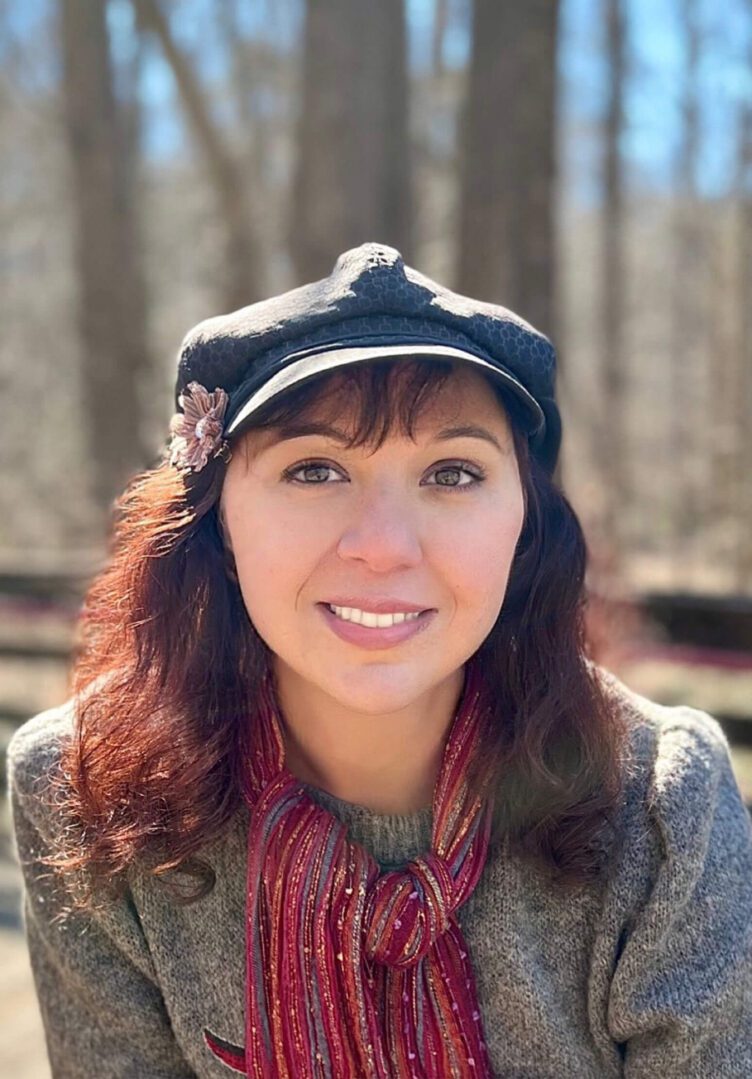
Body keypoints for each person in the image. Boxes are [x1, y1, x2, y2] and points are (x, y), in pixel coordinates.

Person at [7, 241, 752, 1078]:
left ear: (524, 525)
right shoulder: (91, 796)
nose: (385, 547)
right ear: (218, 523)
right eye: (315, 468)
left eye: (453, 472)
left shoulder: (660, 811)